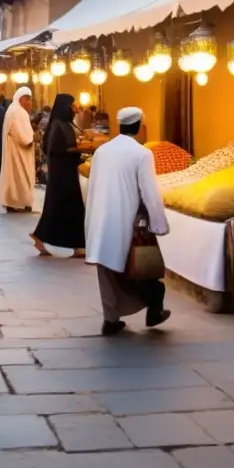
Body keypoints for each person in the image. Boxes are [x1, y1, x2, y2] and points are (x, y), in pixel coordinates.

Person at [85, 107, 171, 336]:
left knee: (106, 270)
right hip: (126, 220)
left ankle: (110, 319)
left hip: (101, 218)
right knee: (138, 269)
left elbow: (93, 186)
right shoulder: (141, 154)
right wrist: (159, 224)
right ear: (139, 126)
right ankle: (154, 309)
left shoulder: (103, 150)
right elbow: (150, 192)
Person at [32, 94, 86, 258]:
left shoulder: (63, 124)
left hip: (64, 172)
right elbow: (59, 149)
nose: (75, 109)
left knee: (57, 208)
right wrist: (80, 150)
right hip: (62, 174)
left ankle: (41, 237)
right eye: (72, 106)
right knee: (69, 207)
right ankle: (78, 245)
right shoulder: (58, 126)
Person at [0, 86, 35, 213]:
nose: (30, 103)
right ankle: (20, 202)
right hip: (19, 151)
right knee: (20, 176)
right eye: (27, 99)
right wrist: (30, 139)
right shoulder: (17, 112)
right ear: (20, 99)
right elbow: (21, 134)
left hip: (16, 150)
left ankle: (15, 202)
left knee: (16, 176)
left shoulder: (12, 109)